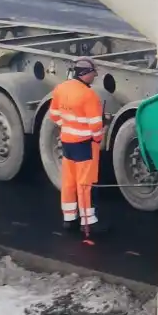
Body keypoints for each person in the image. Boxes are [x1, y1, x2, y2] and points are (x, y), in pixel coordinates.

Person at [49, 58, 105, 244]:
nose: (94, 77)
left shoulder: (61, 88)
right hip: (84, 145)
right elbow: (96, 126)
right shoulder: (88, 96)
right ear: (84, 74)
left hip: (67, 143)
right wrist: (97, 139)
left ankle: (69, 218)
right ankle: (88, 223)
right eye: (92, 73)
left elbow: (54, 114)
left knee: (69, 182)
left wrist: (67, 128)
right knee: (85, 184)